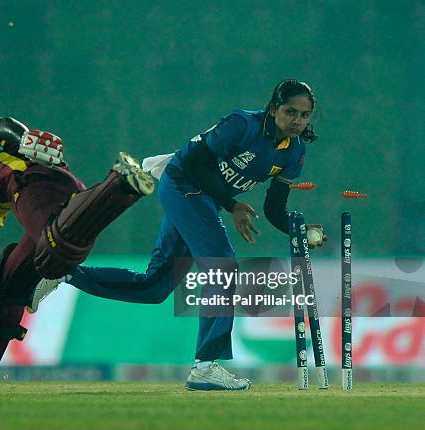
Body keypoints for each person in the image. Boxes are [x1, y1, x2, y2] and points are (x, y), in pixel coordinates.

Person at [33, 79, 326, 391]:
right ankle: (205, 366)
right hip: (183, 183)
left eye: (304, 115)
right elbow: (193, 162)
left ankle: (64, 273)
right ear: (273, 108)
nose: (296, 120)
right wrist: (231, 204)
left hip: (206, 200)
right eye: (289, 111)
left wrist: (300, 231)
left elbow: (274, 208)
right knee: (223, 268)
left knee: (154, 287)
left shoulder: (294, 154)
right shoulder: (242, 125)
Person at [0, 116, 154, 396]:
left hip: (38, 185)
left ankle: (121, 184)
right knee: (5, 282)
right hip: (46, 199)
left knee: (54, 250)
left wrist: (25, 140)